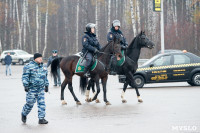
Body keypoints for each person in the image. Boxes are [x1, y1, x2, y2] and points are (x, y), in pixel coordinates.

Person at [21, 53, 49, 124]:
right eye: (39, 58)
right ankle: (24, 114)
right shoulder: (28, 66)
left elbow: (45, 77)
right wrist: (25, 85)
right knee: (30, 104)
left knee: (42, 104)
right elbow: (25, 76)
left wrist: (46, 85)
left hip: (41, 89)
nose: (41, 59)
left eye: (41, 58)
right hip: (32, 89)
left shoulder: (43, 66)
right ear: (35, 58)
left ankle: (41, 119)